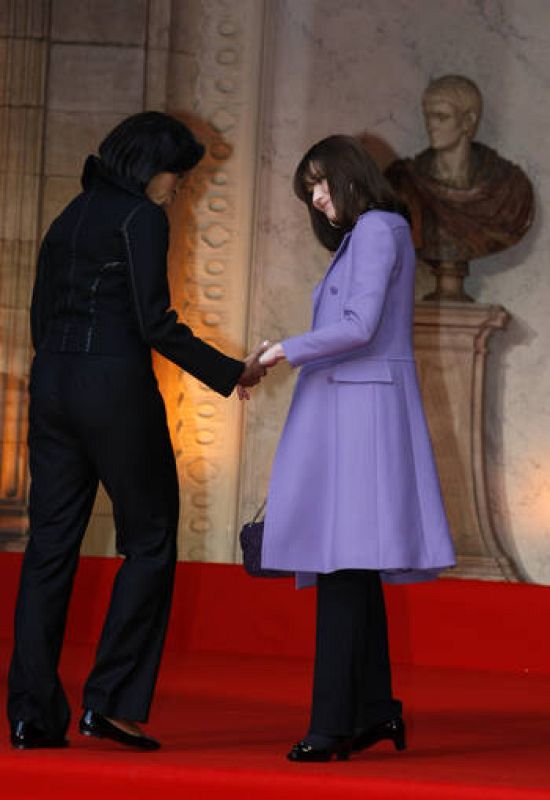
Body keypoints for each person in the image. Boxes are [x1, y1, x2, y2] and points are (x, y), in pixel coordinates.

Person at [8, 112, 266, 751]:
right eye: (176, 180)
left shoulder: (70, 214)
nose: (176, 192)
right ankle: (112, 703)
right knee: (149, 541)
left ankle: (30, 715)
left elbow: (41, 316)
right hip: (114, 388)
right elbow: (155, 322)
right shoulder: (141, 218)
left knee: (49, 549)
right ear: (150, 168)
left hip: (52, 386)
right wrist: (232, 372)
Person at [258, 135, 456, 762]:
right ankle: (374, 712)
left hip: (361, 415)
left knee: (343, 567)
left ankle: (331, 726)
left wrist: (282, 350)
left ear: (349, 174)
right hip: (354, 411)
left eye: (319, 183)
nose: (317, 200)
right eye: (309, 192)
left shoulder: (376, 227)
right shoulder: (373, 232)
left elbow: (359, 327)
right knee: (352, 567)